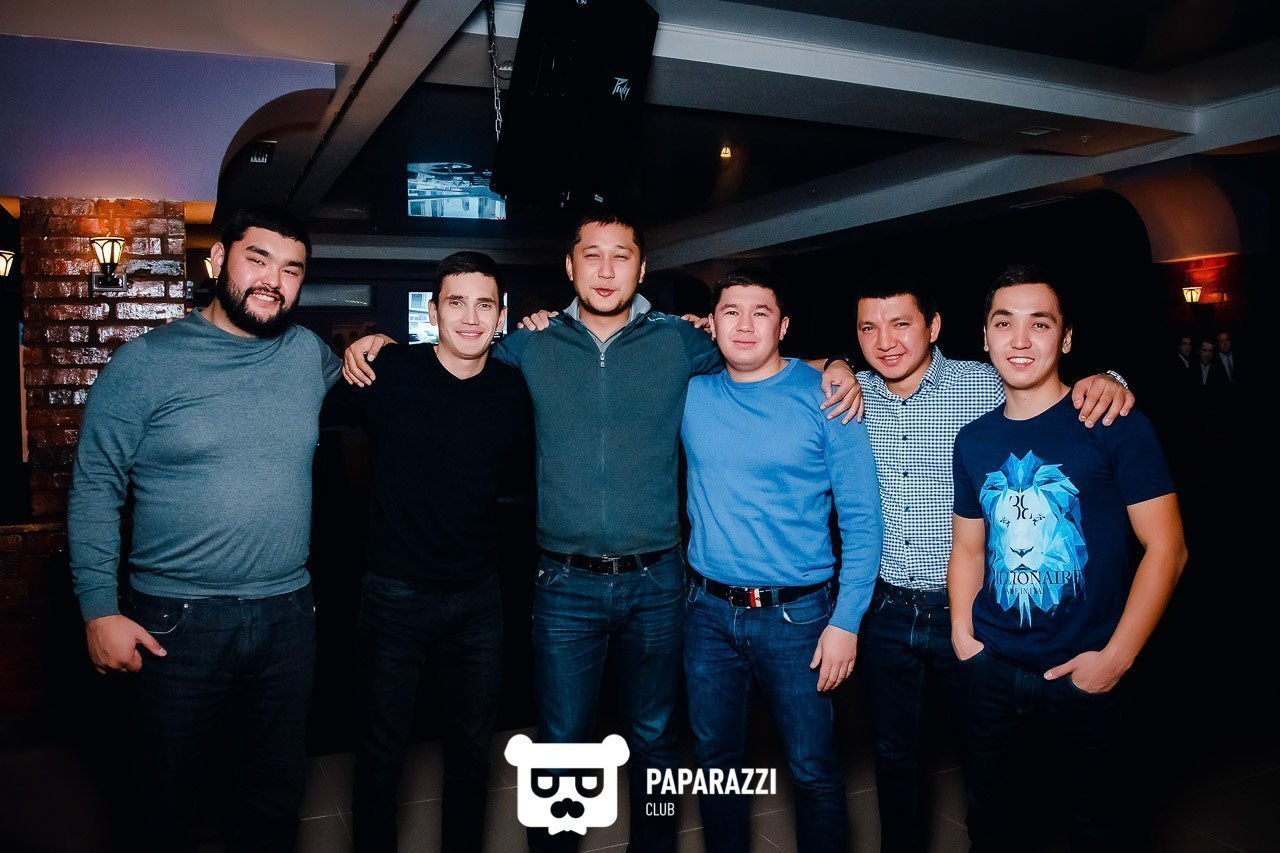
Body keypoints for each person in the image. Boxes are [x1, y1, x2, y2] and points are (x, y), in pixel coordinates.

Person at [342, 208, 862, 852]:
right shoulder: (530, 345)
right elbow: (456, 354)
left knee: (656, 740)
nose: (607, 269)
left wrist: (838, 364)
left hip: (659, 581)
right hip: (564, 583)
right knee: (561, 744)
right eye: (592, 255)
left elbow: (758, 355)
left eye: (622, 256)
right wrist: (377, 345)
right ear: (570, 266)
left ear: (642, 268)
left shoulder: (678, 341)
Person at [68, 206, 341, 852]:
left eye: (292, 269)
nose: (274, 279)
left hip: (287, 616)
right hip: (176, 623)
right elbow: (95, 485)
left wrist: (373, 345)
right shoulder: (146, 363)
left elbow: (368, 378)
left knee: (273, 801)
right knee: (162, 804)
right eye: (258, 259)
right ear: (217, 261)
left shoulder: (308, 355)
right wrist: (98, 609)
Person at [852, 274, 1133, 853]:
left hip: (971, 609)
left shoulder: (984, 383)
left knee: (1000, 768)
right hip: (886, 607)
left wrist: (1113, 379)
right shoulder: (851, 393)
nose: (885, 341)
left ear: (934, 326)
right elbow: (783, 366)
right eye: (868, 328)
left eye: (901, 323)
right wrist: (830, 364)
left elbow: (1060, 388)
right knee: (895, 756)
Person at [949, 265, 1186, 852]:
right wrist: (964, 638)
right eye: (1004, 323)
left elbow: (1168, 548)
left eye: (1040, 323)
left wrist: (1116, 659)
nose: (1020, 340)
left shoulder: (1113, 425)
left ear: (1067, 338)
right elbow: (969, 546)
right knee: (993, 831)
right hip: (992, 671)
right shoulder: (973, 439)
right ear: (985, 337)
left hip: (1086, 675)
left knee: (1097, 833)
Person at [324, 252, 532, 851]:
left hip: (478, 601)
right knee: (380, 752)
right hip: (394, 597)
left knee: (471, 752)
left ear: (500, 316)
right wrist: (362, 348)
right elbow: (309, 419)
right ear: (433, 311)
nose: (470, 317)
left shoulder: (514, 389)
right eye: (456, 302)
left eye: (484, 305)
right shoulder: (389, 369)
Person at [681, 271, 882, 853]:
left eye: (761, 312)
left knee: (813, 770)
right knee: (715, 766)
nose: (745, 325)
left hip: (799, 620)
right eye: (731, 312)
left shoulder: (828, 396)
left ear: (784, 325)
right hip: (707, 614)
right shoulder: (691, 394)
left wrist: (846, 622)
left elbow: (863, 520)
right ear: (712, 324)